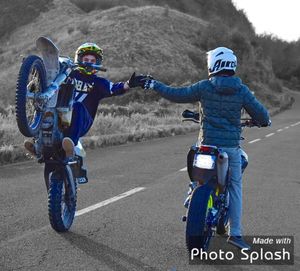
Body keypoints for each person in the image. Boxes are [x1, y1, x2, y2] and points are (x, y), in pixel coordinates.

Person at [134, 47, 271, 250]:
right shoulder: (242, 91)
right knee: (235, 187)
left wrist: (154, 84)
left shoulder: (204, 87)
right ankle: (236, 234)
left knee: (198, 175)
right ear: (232, 66)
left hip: (206, 144)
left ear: (213, 64)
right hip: (230, 148)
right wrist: (263, 121)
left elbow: (176, 94)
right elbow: (262, 115)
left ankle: (193, 194)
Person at [24, 42, 142, 161]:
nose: (89, 63)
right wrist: (31, 72)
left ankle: (70, 143)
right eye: (86, 59)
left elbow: (115, 88)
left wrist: (129, 84)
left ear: (98, 63)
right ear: (79, 59)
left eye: (92, 60)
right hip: (60, 116)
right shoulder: (67, 74)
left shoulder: (98, 83)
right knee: (46, 106)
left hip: (82, 121)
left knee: (77, 105)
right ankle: (37, 144)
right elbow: (50, 80)